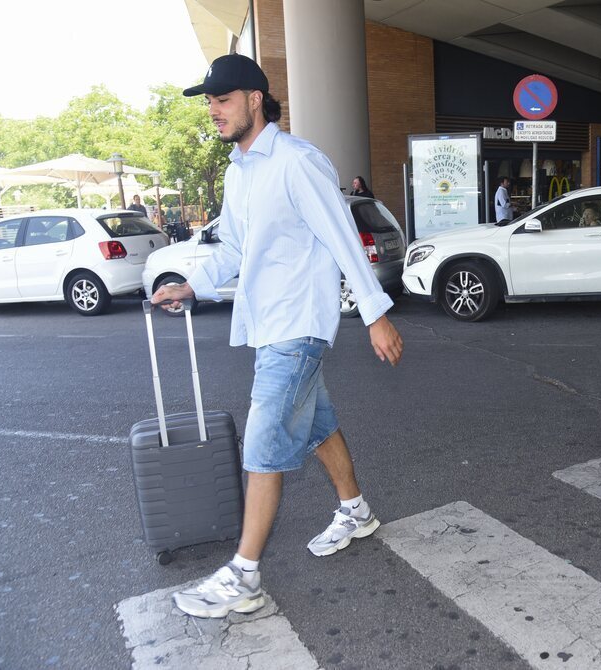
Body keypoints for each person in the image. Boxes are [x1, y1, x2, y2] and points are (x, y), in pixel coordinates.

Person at [152, 53, 404, 619]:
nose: (213, 111)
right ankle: (356, 510)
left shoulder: (297, 162)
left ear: (254, 99)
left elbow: (342, 236)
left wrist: (374, 313)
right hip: (268, 325)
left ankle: (244, 576)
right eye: (209, 102)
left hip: (298, 325)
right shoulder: (238, 171)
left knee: (263, 443)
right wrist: (190, 284)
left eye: (221, 99)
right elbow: (238, 250)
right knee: (317, 425)